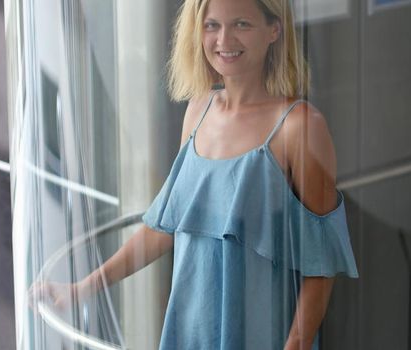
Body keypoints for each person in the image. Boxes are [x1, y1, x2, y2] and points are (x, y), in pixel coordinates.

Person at [33, 0, 357, 348]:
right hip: (189, 330)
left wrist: (295, 345)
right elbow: (164, 228)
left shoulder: (300, 126)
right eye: (211, 25)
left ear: (274, 30)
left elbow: (322, 264)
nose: (224, 39)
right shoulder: (198, 109)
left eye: (242, 24)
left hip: (263, 335)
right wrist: (82, 288)